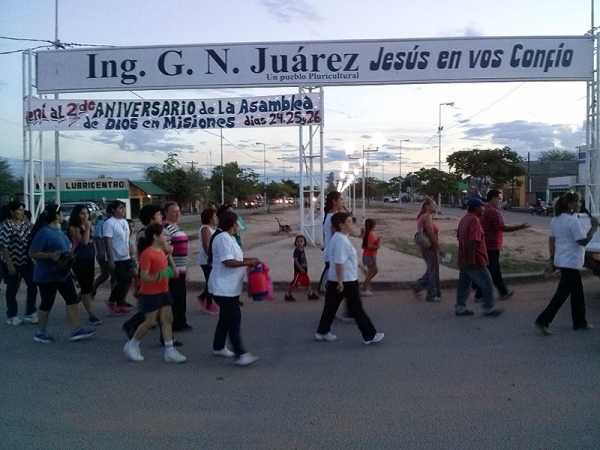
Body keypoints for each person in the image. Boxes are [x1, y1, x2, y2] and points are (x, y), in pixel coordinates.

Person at [28, 204, 97, 343]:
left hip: (62, 272)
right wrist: (50, 255)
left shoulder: (57, 230)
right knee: (47, 303)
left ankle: (78, 328)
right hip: (47, 275)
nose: (62, 215)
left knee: (71, 298)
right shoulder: (43, 232)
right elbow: (32, 252)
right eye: (61, 213)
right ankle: (40, 332)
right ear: (55, 215)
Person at [315, 212, 384, 345]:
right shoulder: (341, 240)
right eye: (349, 222)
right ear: (341, 225)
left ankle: (322, 331)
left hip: (338, 278)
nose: (351, 225)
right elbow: (339, 262)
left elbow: (346, 257)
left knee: (331, 307)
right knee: (356, 308)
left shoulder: (339, 237)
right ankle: (370, 335)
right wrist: (340, 281)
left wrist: (360, 267)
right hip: (345, 280)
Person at [535, 192, 599, 335]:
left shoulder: (556, 220)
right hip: (571, 261)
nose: (579, 205)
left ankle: (579, 321)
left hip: (562, 259)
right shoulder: (572, 221)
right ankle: (544, 320)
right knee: (562, 293)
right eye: (577, 203)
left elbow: (551, 240)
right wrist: (593, 227)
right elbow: (583, 241)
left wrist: (552, 259)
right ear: (571, 205)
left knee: (577, 292)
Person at [123, 224, 187, 363]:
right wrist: (156, 276)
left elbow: (174, 273)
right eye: (164, 235)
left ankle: (169, 351)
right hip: (150, 293)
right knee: (150, 321)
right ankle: (132, 345)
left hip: (163, 291)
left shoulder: (162, 251)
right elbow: (144, 275)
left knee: (166, 319)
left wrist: (169, 257)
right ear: (155, 237)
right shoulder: (148, 253)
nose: (166, 237)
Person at [208, 210, 259, 366]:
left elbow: (237, 258)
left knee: (225, 317)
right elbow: (227, 261)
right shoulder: (223, 238)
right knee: (234, 318)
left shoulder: (229, 238)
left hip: (229, 286)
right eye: (237, 222)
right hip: (222, 287)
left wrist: (250, 260)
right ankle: (241, 353)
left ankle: (218, 346)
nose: (238, 225)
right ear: (232, 224)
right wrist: (246, 263)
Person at [455, 197, 504, 317]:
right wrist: (472, 258)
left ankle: (460, 307)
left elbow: (459, 236)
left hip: (463, 257)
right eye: (482, 207)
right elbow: (473, 240)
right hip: (475, 259)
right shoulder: (474, 221)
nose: (483, 209)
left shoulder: (464, 219)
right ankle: (488, 308)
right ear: (476, 208)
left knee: (464, 285)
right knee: (487, 283)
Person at [478, 189, 530, 300]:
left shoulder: (483, 210)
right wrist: (519, 227)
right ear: (493, 198)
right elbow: (502, 228)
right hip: (492, 245)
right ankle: (502, 291)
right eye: (499, 199)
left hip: (484, 243)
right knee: (494, 269)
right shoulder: (494, 212)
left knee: (487, 269)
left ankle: (480, 293)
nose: (499, 202)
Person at [0, 200, 38, 325]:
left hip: (25, 261)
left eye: (22, 210)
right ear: (12, 212)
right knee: (12, 288)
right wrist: (9, 264)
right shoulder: (6, 225)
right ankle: (12, 315)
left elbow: (29, 241)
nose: (22, 213)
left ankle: (30, 312)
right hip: (11, 262)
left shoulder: (23, 225)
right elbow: (3, 246)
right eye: (20, 210)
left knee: (32, 284)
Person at [67, 204, 101, 325]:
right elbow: (84, 241)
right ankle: (90, 314)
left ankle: (72, 305)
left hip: (90, 257)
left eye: (87, 213)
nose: (85, 216)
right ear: (77, 214)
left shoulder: (90, 226)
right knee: (85, 287)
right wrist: (86, 228)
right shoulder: (74, 228)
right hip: (79, 259)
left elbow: (94, 241)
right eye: (82, 213)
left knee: (88, 286)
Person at [163, 201, 192, 331]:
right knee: (177, 296)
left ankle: (181, 321)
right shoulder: (166, 229)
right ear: (166, 213)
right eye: (174, 212)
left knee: (181, 296)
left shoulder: (176, 227)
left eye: (178, 211)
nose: (177, 214)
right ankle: (177, 322)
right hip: (173, 268)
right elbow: (167, 251)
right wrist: (173, 267)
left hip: (182, 267)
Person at [103, 200, 133, 315]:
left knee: (126, 280)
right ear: (113, 210)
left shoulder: (124, 222)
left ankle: (120, 303)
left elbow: (126, 238)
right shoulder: (110, 223)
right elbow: (108, 241)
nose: (123, 210)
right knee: (122, 279)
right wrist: (110, 259)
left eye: (123, 208)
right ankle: (111, 301)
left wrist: (130, 252)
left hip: (125, 256)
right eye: (120, 208)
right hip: (115, 257)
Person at [413, 197, 442, 302]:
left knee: (430, 270)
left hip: (424, 247)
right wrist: (438, 246)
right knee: (433, 271)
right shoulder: (427, 217)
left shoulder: (421, 217)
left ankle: (418, 285)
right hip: (431, 247)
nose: (435, 206)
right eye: (433, 205)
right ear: (427, 207)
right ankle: (431, 294)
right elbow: (430, 233)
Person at [318, 191, 344, 293]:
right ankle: (322, 288)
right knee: (330, 270)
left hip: (329, 250)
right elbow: (335, 236)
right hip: (331, 252)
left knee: (331, 271)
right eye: (341, 200)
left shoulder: (329, 216)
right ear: (334, 201)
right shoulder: (334, 218)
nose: (342, 202)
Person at [196, 207, 219, 315]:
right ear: (209, 218)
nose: (216, 218)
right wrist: (212, 258)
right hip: (206, 260)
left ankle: (202, 297)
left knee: (212, 281)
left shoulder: (211, 228)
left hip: (210, 259)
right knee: (211, 282)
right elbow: (206, 246)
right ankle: (208, 304)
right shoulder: (205, 229)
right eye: (214, 216)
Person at [285, 235, 319, 301]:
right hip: (298, 272)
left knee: (307, 282)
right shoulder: (297, 251)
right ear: (295, 243)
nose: (299, 243)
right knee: (295, 283)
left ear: (304, 243)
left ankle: (310, 294)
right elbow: (295, 261)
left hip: (304, 271)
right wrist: (300, 268)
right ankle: (288, 295)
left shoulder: (302, 250)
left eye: (301, 241)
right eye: (298, 241)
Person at [91, 210, 112, 297]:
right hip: (103, 252)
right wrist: (99, 252)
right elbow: (97, 238)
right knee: (105, 274)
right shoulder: (102, 223)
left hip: (113, 253)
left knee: (114, 275)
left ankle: (113, 297)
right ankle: (93, 287)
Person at [360, 218, 380, 297]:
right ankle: (364, 288)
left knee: (372, 272)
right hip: (369, 256)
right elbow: (369, 246)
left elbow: (363, 245)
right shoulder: (370, 235)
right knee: (373, 271)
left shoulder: (366, 233)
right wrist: (377, 246)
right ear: (372, 226)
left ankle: (365, 285)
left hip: (368, 255)